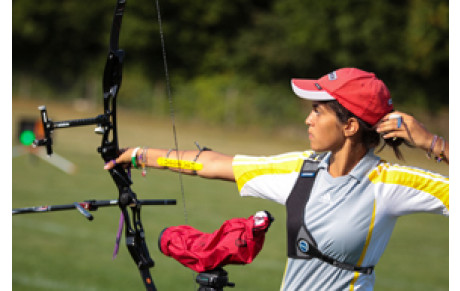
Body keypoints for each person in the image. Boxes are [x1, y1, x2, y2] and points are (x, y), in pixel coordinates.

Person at [104, 68, 449, 290]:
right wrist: (141, 155)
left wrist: (433, 144)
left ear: (350, 126)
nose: (308, 121)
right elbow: (216, 164)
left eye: (318, 111)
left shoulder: (389, 183)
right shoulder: (303, 168)